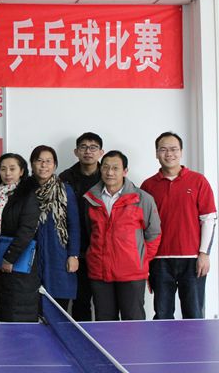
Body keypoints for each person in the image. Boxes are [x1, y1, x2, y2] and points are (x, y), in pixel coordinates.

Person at [141, 132, 217, 319]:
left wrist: (204, 254)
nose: (169, 154)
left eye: (174, 149)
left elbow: (208, 219)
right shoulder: (148, 186)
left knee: (194, 314)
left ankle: (195, 342)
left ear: (181, 152)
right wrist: (145, 260)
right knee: (162, 315)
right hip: (159, 260)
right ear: (156, 153)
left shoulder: (198, 181)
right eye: (163, 149)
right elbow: (142, 225)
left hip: (192, 260)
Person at [84, 150, 161, 321]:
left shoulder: (143, 199)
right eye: (106, 167)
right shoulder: (91, 198)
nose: (110, 172)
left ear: (125, 171)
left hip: (132, 273)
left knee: (133, 323)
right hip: (100, 272)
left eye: (115, 168)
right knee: (104, 323)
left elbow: (154, 234)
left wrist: (140, 259)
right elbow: (90, 232)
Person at [0, 153, 40, 322]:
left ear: (21, 171)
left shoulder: (28, 195)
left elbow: (27, 230)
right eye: (3, 169)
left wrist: (9, 258)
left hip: (17, 259)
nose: (7, 173)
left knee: (17, 308)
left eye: (12, 169)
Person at [28, 145, 80, 310]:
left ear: (55, 165)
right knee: (30, 303)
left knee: (58, 304)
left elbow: (74, 225)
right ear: (32, 164)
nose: (44, 165)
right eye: (39, 161)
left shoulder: (65, 190)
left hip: (58, 254)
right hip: (29, 254)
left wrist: (73, 255)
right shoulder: (24, 189)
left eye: (48, 161)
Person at [59, 132, 104, 321]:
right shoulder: (65, 177)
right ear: (76, 151)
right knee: (77, 298)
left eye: (93, 147)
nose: (88, 151)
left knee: (102, 301)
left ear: (101, 152)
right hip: (72, 248)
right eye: (83, 147)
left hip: (101, 247)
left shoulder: (107, 176)